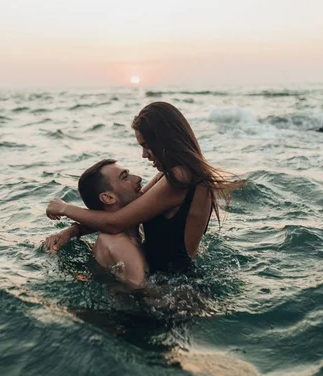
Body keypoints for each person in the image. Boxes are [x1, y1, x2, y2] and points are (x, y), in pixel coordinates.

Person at [46, 101, 240, 274]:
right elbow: (127, 212)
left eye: (147, 145)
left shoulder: (180, 178)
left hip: (173, 294)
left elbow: (116, 222)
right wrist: (73, 232)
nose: (144, 155)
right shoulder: (168, 176)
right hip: (166, 284)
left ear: (165, 140)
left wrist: (64, 208)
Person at [46, 158, 148, 289]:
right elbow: (145, 294)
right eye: (125, 177)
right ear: (108, 198)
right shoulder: (119, 245)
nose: (138, 178)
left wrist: (75, 230)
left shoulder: (133, 225)